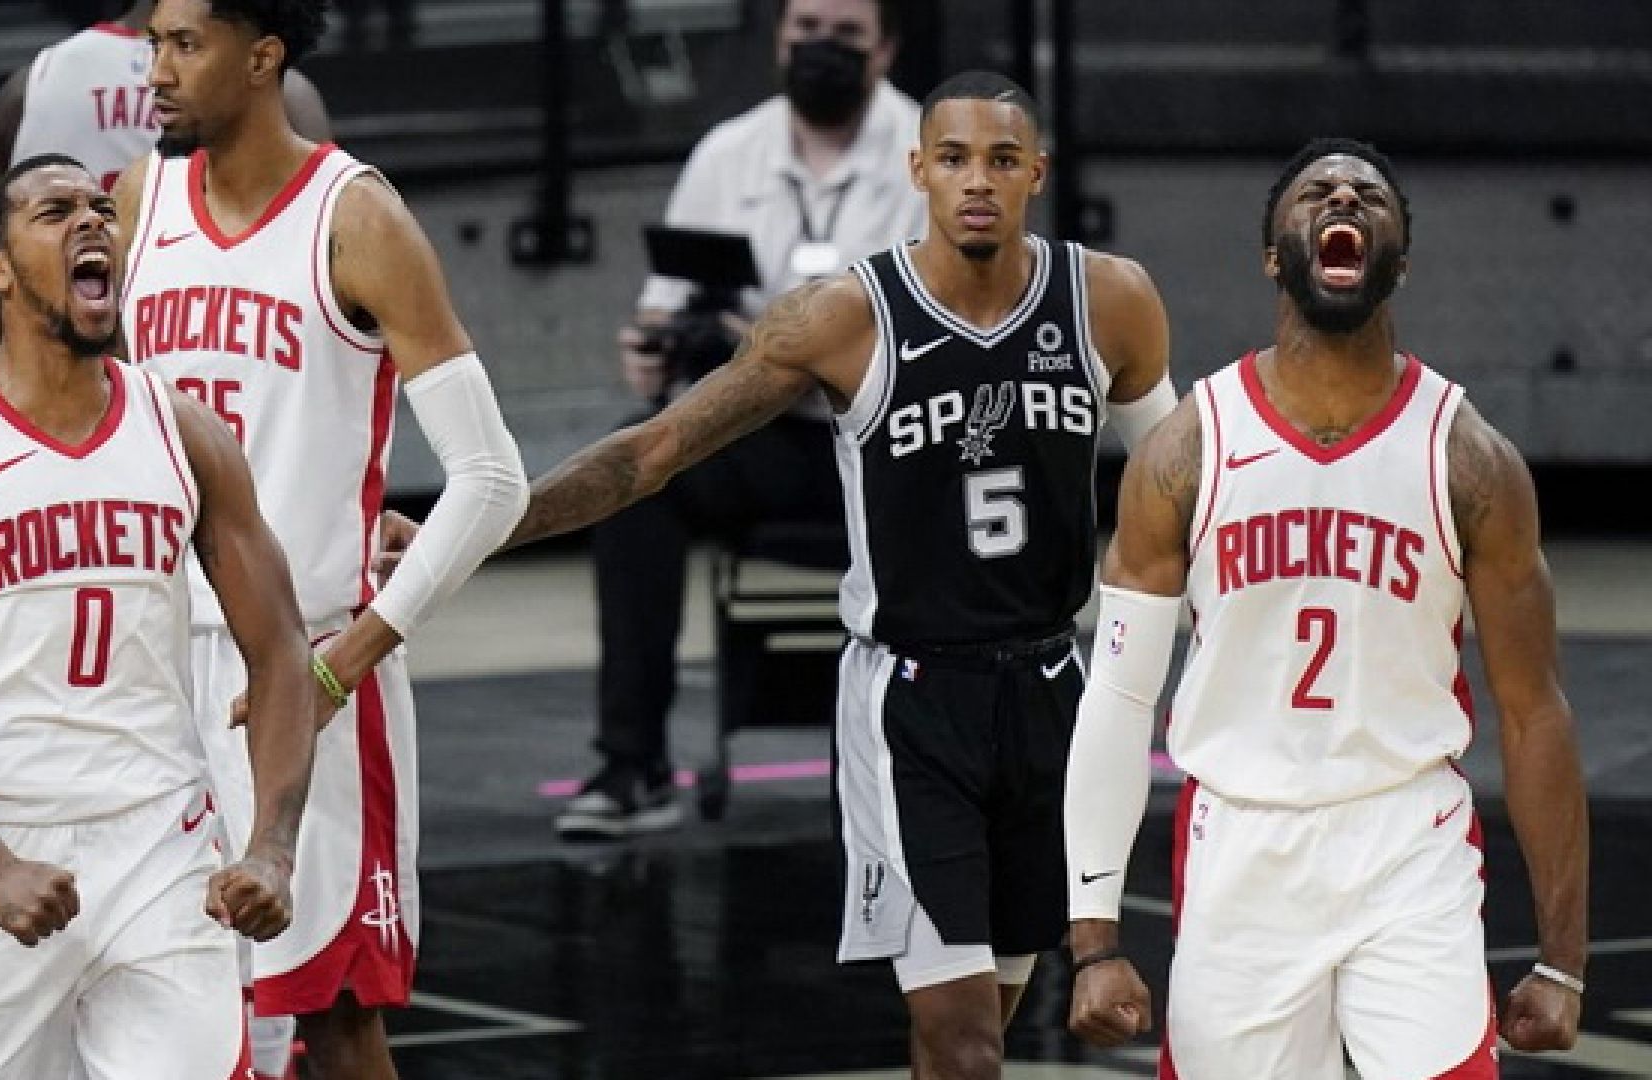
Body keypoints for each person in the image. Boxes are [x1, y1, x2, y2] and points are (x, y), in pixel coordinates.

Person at [499, 71, 1176, 1079]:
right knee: (965, 1046)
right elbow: (654, 452)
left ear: (1037, 173)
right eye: (954, 159)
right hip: (911, 701)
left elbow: (1181, 481)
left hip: (1048, 691)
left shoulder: (1108, 300)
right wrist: (481, 527)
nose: (976, 181)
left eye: (1000, 160)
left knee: (983, 1028)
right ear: (918, 170)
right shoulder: (842, 316)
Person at [1062, 139, 1588, 1077]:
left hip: (1407, 838)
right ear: (1275, 255)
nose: (1343, 196)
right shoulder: (1187, 448)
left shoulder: (1469, 457)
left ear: (1400, 262)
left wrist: (1563, 960)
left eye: (1368, 195)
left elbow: (1533, 710)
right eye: (1315, 191)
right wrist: (1094, 938)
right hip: (1242, 842)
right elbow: (1120, 696)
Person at [0, 153, 320, 1078]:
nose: (93, 221)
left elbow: (284, 650)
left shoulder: (186, 432)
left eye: (102, 208)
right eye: (56, 213)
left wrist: (272, 851)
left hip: (162, 848)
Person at [116, 1, 529, 1076]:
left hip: (307, 665)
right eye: (154, 43)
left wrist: (346, 662)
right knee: (165, 1007)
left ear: (263, 58)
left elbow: (492, 482)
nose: (155, 70)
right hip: (157, 668)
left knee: (335, 1020)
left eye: (184, 45)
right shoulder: (137, 200)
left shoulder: (356, 219)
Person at [559, 0, 927, 841]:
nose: (821, 49)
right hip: (757, 435)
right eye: (806, 31)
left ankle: (926, 768)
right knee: (635, 481)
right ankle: (632, 767)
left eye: (845, 36)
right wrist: (653, 347)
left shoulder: (925, 157)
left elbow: (924, 340)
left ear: (884, 50)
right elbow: (664, 304)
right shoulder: (729, 154)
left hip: (885, 447)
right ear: (780, 40)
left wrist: (776, 349)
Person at [0, 0, 331, 360]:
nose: (158, 77)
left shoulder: (33, 87)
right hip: (238, 358)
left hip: (84, 381)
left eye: (185, 46)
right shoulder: (285, 94)